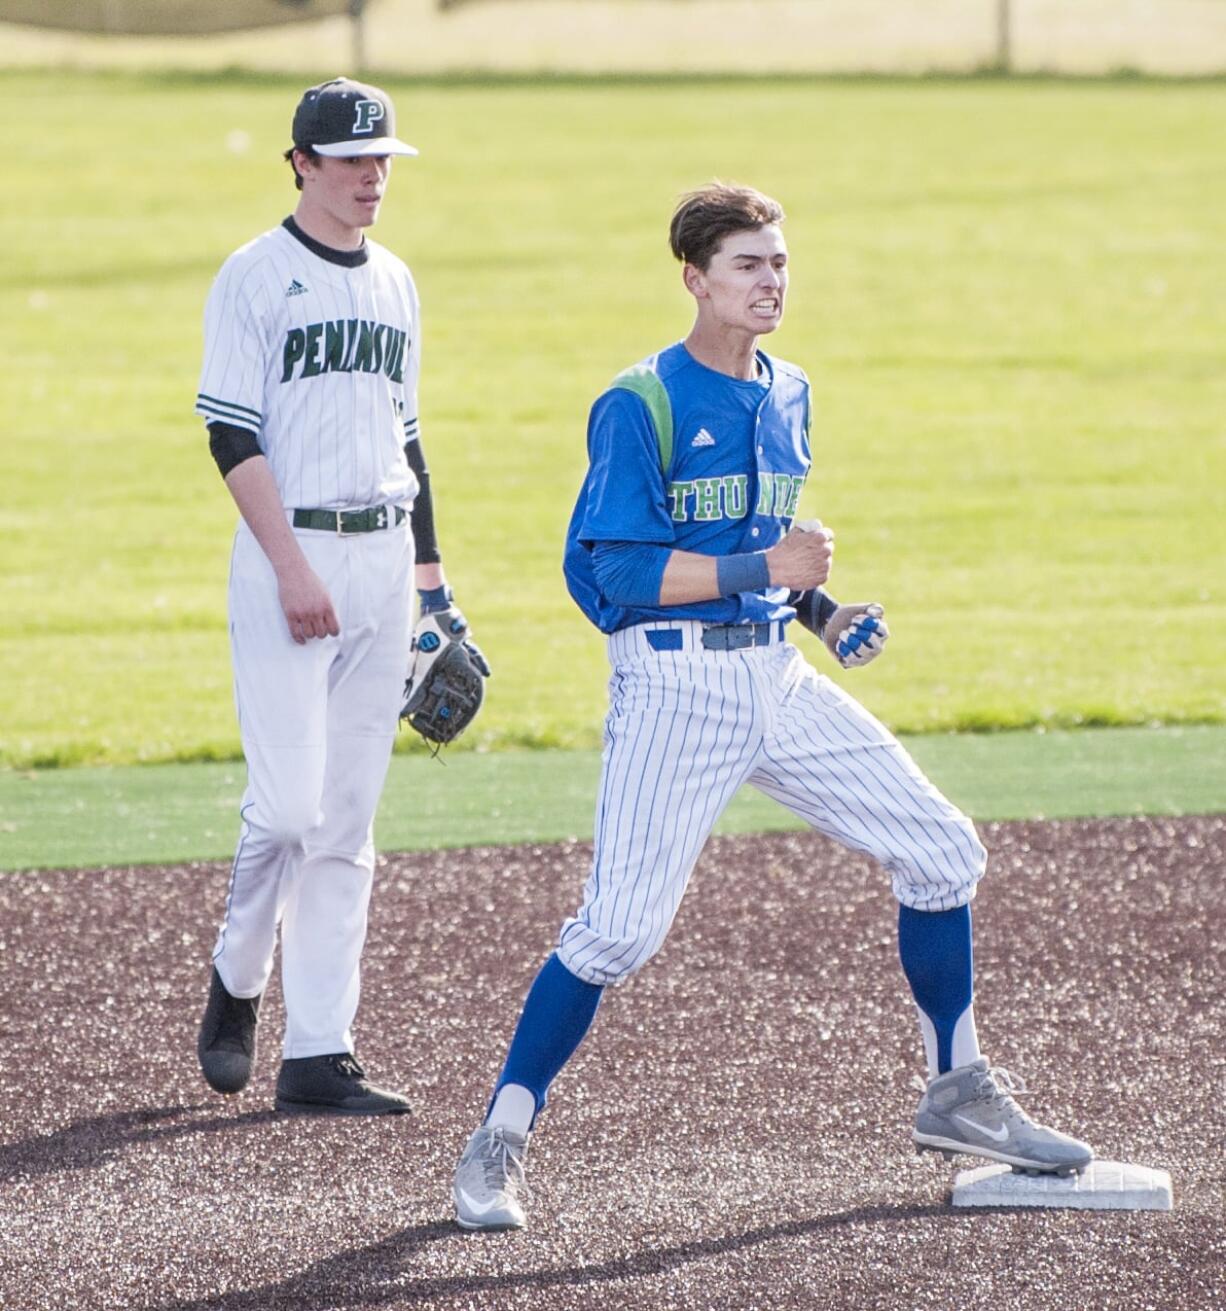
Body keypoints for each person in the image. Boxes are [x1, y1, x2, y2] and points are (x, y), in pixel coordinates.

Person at [450, 182, 1091, 1229]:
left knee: (940, 851)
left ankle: (956, 1091)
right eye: (747, 264)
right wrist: (768, 562)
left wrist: (823, 611)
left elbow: (765, 563)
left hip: (774, 678)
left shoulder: (789, 390)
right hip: (673, 684)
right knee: (614, 932)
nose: (770, 282)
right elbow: (615, 577)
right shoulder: (641, 400)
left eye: (780, 263)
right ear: (694, 280)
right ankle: (496, 1142)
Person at [195, 77, 483, 1115]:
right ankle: (236, 979)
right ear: (301, 164)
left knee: (346, 822)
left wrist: (434, 590)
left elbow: (408, 439)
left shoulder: (395, 281)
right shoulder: (256, 277)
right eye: (352, 160)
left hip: (380, 556)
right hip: (291, 552)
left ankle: (318, 1050)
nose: (370, 178)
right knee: (284, 809)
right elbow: (232, 433)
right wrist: (290, 568)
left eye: (381, 161)